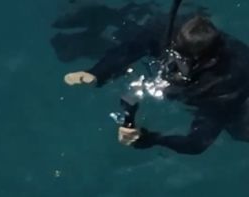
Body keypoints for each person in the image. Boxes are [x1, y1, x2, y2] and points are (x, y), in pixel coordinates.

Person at [64, 11, 249, 154]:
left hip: (239, 95)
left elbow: (196, 143)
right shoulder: (169, 30)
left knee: (242, 130)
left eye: (184, 61)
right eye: (175, 53)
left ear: (210, 61)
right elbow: (132, 48)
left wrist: (152, 139)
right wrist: (97, 73)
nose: (174, 64)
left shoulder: (226, 85)